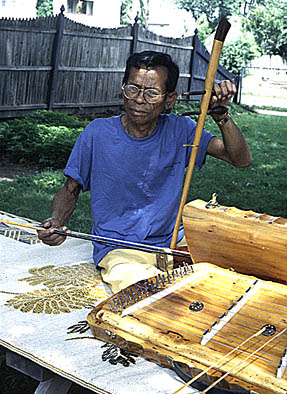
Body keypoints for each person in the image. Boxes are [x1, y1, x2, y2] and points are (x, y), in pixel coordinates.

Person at [38, 51, 251, 293]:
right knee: (154, 294)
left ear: (169, 99)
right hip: (120, 249)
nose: (139, 100)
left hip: (174, 243)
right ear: (122, 89)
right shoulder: (97, 133)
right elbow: (70, 189)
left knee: (235, 276)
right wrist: (55, 220)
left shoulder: (181, 130)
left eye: (151, 93)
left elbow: (240, 159)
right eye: (133, 89)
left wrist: (221, 114)